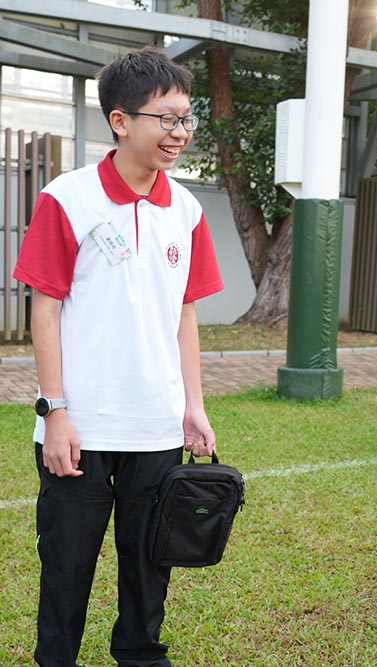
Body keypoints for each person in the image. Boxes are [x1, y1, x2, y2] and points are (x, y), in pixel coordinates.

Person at [12, 46, 223, 667]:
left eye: (186, 118)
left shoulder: (186, 209)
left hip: (156, 425)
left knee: (150, 563)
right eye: (166, 118)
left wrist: (193, 406)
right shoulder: (67, 197)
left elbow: (184, 315)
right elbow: (45, 311)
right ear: (120, 120)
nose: (179, 132)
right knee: (66, 563)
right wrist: (55, 411)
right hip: (80, 426)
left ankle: (140, 655)